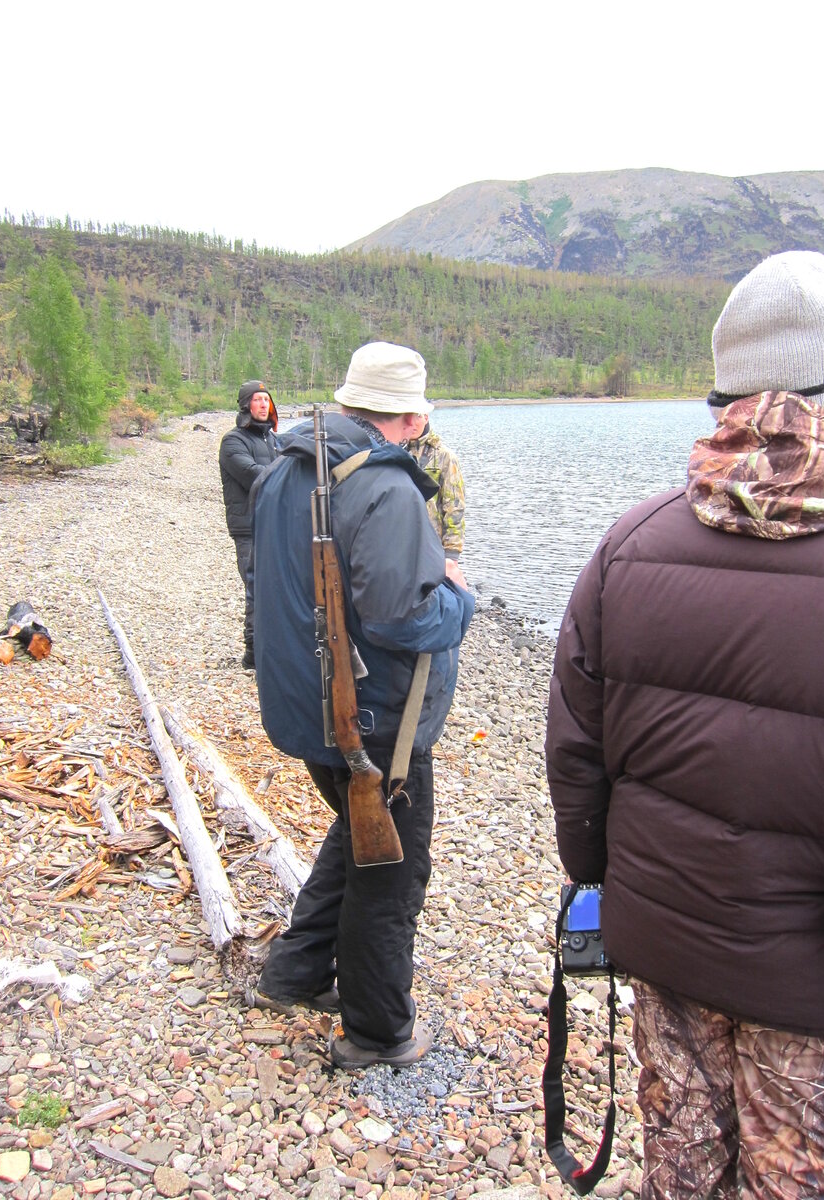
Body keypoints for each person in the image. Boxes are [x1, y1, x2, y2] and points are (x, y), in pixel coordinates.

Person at [544, 250, 824, 1198]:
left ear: (724, 388)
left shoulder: (630, 545)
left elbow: (575, 753)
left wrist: (599, 882)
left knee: (678, 1166)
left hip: (664, 935)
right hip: (809, 981)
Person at [249, 341, 474, 1068]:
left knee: (359, 831)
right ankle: (377, 1034)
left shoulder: (283, 470)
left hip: (305, 712)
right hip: (377, 725)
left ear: (350, 403)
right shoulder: (385, 487)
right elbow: (402, 617)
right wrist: (460, 603)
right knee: (391, 874)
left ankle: (296, 973)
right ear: (410, 418)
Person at [218, 380, 280, 670]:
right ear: (245, 405)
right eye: (257, 400)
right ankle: (253, 653)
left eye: (266, 400)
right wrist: (291, 473)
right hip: (248, 527)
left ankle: (267, 650)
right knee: (257, 585)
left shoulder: (273, 440)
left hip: (274, 524)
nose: (263, 404)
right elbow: (253, 474)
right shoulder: (233, 441)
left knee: (274, 585)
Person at [406, 419, 466, 560]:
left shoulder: (445, 456)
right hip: (402, 546)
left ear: (426, 417)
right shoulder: (395, 450)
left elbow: (455, 507)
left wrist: (451, 555)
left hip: (433, 549)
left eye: (417, 416)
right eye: (408, 416)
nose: (412, 422)